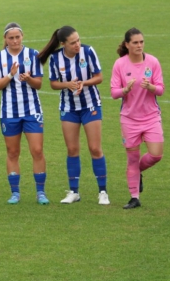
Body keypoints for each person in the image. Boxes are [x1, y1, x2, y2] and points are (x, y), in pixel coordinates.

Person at [38, 26, 109, 205]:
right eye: (72, 43)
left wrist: (83, 83)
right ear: (63, 44)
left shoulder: (88, 51)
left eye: (78, 40)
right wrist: (68, 84)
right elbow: (54, 84)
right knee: (72, 150)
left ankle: (103, 192)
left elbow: (99, 77)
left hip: (90, 105)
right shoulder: (56, 58)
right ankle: (74, 192)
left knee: (95, 148)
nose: (77, 44)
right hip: (69, 108)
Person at [0, 22, 49, 205]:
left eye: (17, 37)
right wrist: (10, 75)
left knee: (37, 150)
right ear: (5, 40)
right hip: (9, 112)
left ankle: (40, 192)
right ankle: (15, 193)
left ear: (22, 37)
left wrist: (28, 78)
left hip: (32, 111)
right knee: (12, 152)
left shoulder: (33, 55)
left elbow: (39, 84)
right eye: (11, 38)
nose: (15, 41)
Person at [110, 28, 164, 209]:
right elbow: (113, 92)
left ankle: (137, 172)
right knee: (132, 159)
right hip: (129, 119)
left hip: (151, 117)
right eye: (135, 42)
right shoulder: (120, 64)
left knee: (156, 154)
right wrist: (124, 90)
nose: (139, 45)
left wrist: (151, 87)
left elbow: (161, 89)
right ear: (127, 44)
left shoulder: (153, 62)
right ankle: (134, 197)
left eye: (141, 42)